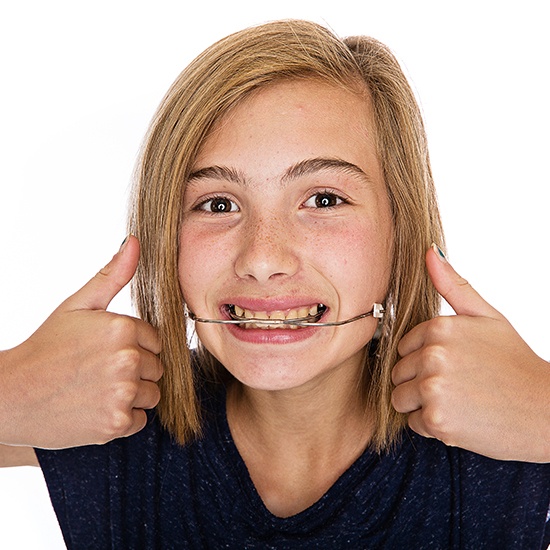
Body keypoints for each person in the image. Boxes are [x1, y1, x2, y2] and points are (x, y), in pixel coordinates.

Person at [1, 19, 548, 547]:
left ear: (401, 228)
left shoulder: (510, 421)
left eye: (323, 200)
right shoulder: (112, 410)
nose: (263, 259)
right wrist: (14, 388)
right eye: (217, 204)